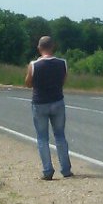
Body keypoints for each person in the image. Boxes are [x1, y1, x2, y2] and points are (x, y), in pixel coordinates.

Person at [24, 35, 72, 180]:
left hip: (40, 103)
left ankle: (47, 170)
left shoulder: (34, 65)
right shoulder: (62, 63)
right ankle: (65, 170)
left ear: (39, 48)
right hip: (57, 101)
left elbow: (28, 83)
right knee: (60, 136)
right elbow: (63, 81)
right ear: (53, 47)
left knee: (42, 138)